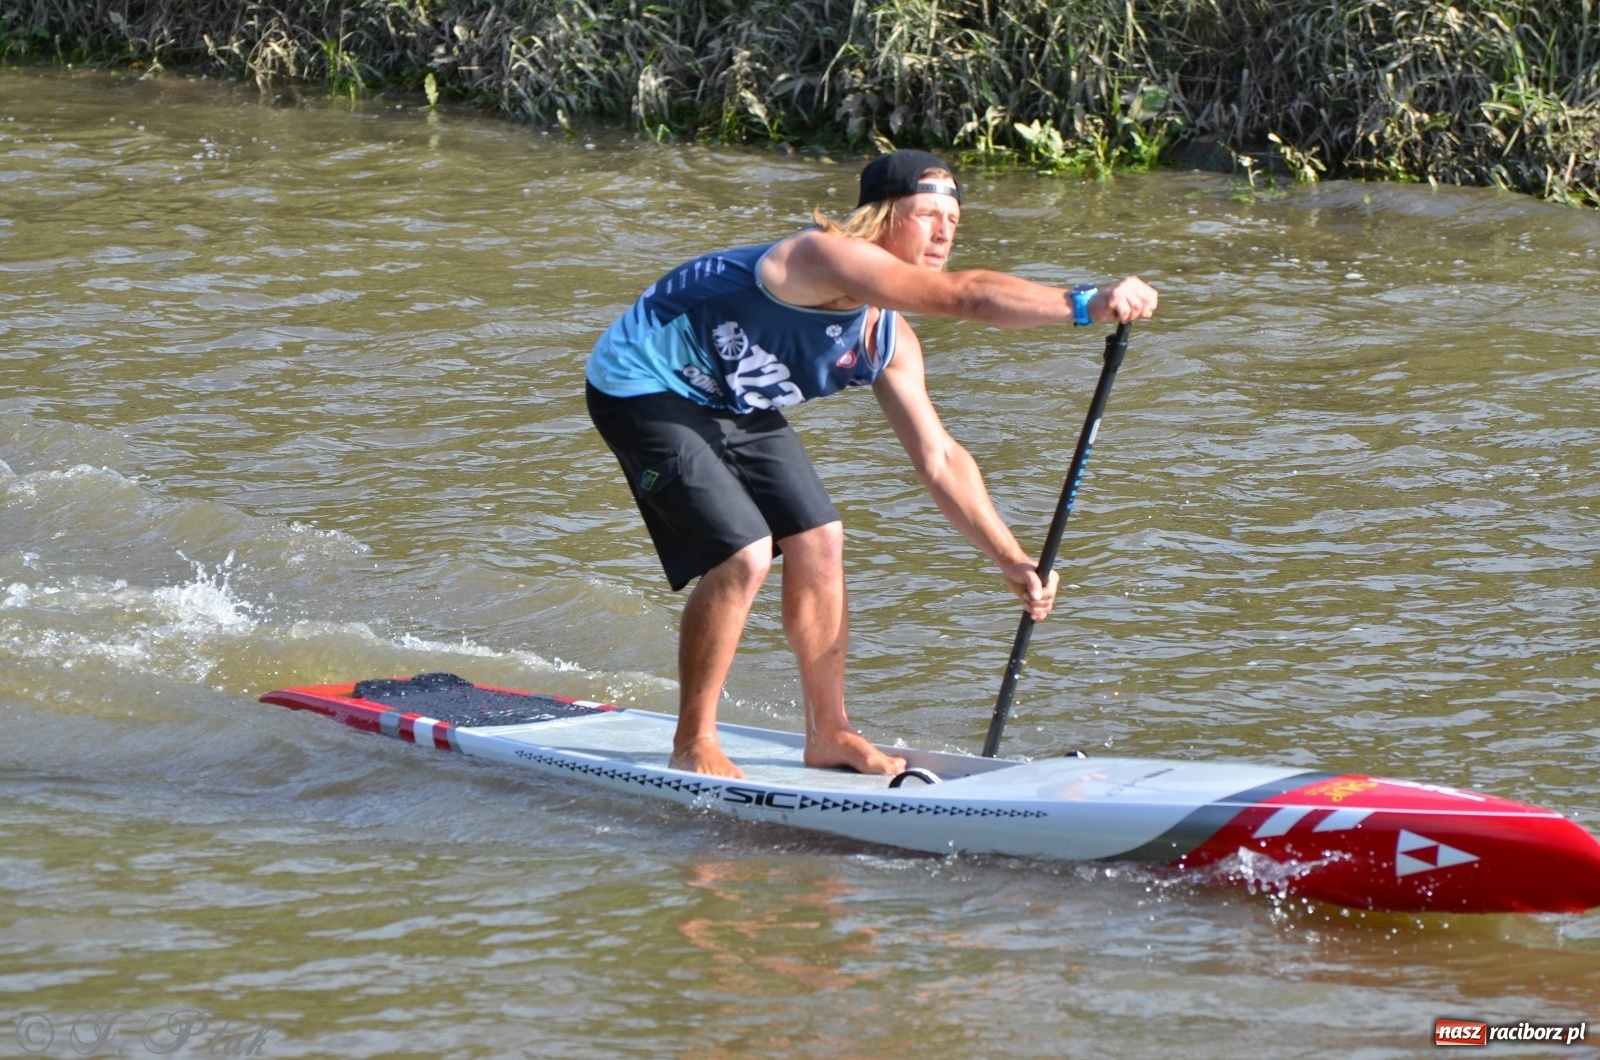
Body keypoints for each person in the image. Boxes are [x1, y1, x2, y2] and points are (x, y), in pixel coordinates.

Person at [586, 149, 1158, 779]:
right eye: (927, 215)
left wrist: (1011, 557)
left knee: (823, 539)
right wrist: (1087, 304)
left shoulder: (889, 341)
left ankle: (829, 732)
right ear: (882, 216)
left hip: (731, 397)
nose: (944, 232)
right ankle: (693, 740)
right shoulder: (820, 256)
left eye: (954, 220)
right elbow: (965, 296)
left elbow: (939, 457)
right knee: (747, 553)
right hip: (641, 384)